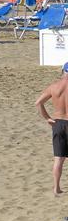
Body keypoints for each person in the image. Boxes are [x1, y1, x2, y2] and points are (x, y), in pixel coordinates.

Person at [35, 63, 68, 195]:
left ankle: (56, 188)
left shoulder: (54, 86)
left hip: (58, 123)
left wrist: (47, 118)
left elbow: (38, 103)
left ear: (63, 71)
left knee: (58, 158)